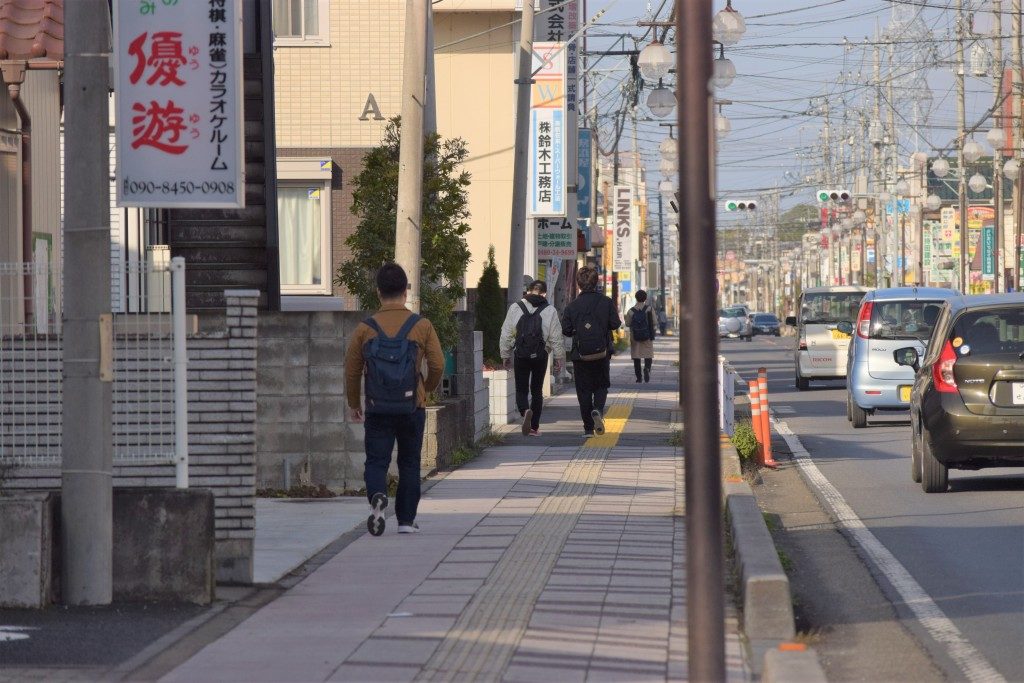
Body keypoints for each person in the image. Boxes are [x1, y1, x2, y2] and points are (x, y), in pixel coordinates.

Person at [344, 263, 444, 536]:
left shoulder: (365, 329)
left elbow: (352, 370)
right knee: (410, 462)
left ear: (379, 292)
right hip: (413, 406)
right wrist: (427, 389)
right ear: (405, 291)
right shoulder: (421, 325)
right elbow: (437, 365)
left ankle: (377, 496)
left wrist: (355, 403)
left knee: (376, 461)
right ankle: (406, 521)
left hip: (377, 407)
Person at [499, 280, 565, 436]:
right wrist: (559, 358)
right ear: (545, 293)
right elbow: (556, 337)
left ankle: (524, 411)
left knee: (521, 387)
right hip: (541, 354)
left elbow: (506, 333)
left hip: (521, 353)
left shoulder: (515, 307)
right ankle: (534, 428)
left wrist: (505, 354)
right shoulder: (550, 310)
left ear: (527, 291)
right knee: (536, 390)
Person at [561, 266, 621, 437]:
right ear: (596, 282)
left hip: (581, 355)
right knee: (601, 385)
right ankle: (598, 410)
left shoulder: (572, 306)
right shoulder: (606, 302)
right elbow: (616, 324)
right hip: (602, 353)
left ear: (578, 284)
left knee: (584, 390)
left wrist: (579, 331)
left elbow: (566, 329)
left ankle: (588, 428)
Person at [625, 290, 656, 383]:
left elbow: (627, 324)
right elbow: (654, 322)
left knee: (636, 357)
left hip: (635, 336)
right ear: (645, 298)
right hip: (647, 335)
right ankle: (647, 369)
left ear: (636, 298)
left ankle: (639, 378)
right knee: (648, 355)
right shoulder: (649, 309)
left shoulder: (631, 311)